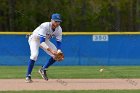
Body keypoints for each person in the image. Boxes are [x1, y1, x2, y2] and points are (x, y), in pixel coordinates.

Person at [25, 13, 63, 83]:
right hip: (35, 39)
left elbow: (59, 42)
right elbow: (41, 42)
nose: (57, 23)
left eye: (59, 21)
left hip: (45, 40)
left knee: (56, 56)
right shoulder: (45, 25)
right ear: (51, 20)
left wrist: (59, 51)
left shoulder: (59, 29)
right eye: (56, 21)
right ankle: (28, 76)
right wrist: (51, 51)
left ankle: (43, 69)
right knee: (34, 55)